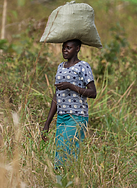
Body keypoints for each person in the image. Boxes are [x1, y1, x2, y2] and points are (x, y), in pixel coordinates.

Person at [42, 39, 97, 167]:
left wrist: (71, 86)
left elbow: (93, 92)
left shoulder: (83, 66)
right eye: (63, 48)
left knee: (65, 151)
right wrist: (47, 123)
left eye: (68, 48)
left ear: (77, 49)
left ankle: (66, 180)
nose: (65, 50)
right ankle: (63, 181)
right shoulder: (60, 67)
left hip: (76, 116)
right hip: (62, 117)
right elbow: (56, 96)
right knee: (60, 152)